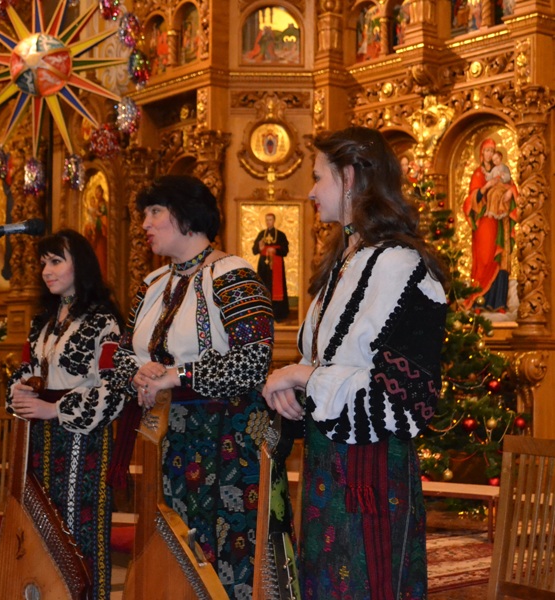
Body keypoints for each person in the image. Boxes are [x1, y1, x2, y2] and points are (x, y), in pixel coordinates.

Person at [262, 127, 448, 599]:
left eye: (317, 177)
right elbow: (332, 362)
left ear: (348, 178)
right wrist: (294, 387)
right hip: (328, 469)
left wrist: (303, 376)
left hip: (371, 476)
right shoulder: (346, 262)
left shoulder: (401, 266)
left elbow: (406, 401)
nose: (310, 191)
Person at [111, 175, 287, 597]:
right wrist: (137, 371)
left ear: (187, 215)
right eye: (144, 214)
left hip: (227, 439)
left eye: (155, 212)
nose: (145, 224)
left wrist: (178, 375)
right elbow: (119, 355)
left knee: (227, 551)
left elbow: (253, 362)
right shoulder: (153, 284)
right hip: (166, 436)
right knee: (173, 548)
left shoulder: (235, 275)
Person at [7, 229, 124, 600]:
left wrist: (54, 409)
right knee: (41, 529)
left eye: (56, 261)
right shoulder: (42, 321)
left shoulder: (103, 321)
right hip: (40, 439)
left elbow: (112, 390)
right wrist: (19, 391)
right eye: (43, 263)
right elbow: (25, 370)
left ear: (81, 265)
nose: (47, 271)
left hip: (82, 443)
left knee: (77, 531)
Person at [462, 137, 518, 311]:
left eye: (492, 151)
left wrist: (511, 191)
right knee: (485, 259)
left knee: (500, 258)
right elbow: (470, 201)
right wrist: (487, 187)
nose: (489, 154)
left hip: (500, 222)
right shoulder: (478, 174)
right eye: (486, 150)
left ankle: (499, 302)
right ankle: (478, 299)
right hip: (484, 223)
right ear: (481, 153)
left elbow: (512, 186)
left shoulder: (501, 170)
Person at [252, 212, 291, 322]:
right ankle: (263, 314)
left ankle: (278, 315)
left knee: (276, 288)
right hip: (263, 265)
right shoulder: (261, 234)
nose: (268, 222)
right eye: (267, 220)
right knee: (264, 286)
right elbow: (254, 251)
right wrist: (260, 248)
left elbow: (285, 250)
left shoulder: (281, 235)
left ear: (274, 221)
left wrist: (275, 250)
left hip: (276, 265)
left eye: (270, 220)